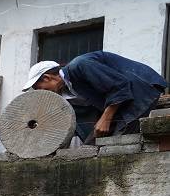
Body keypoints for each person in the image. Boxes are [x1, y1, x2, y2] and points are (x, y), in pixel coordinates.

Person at [24, 52, 167, 143]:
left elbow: (120, 86)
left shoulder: (79, 66)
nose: (42, 93)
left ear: (47, 78)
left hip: (142, 88)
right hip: (124, 102)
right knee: (93, 144)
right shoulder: (67, 93)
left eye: (39, 88)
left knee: (118, 141)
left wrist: (106, 118)